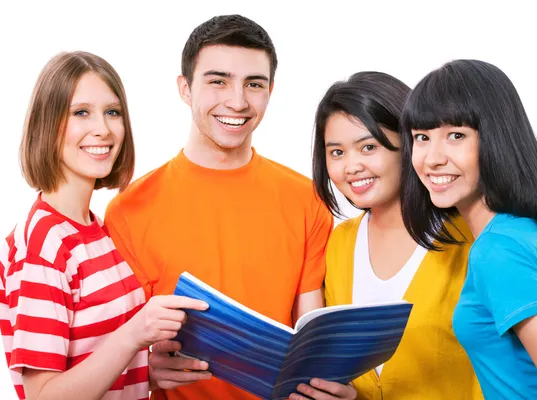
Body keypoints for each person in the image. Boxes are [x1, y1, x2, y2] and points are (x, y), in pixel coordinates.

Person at [103, 14, 350, 400]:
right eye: (218, 81)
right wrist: (147, 372)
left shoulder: (307, 199)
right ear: (185, 88)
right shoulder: (127, 210)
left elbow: (309, 337)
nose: (237, 102)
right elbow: (115, 351)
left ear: (271, 90)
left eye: (253, 84)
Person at [0, 51, 208, 400]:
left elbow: (95, 359)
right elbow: (45, 396)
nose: (103, 128)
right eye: (81, 112)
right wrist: (134, 334)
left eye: (112, 112)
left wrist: (149, 371)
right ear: (46, 124)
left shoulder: (100, 230)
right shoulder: (42, 246)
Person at [400, 59, 537, 399]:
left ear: (497, 138)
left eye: (456, 135)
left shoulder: (497, 252)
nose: (432, 158)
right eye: (422, 137)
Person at [299, 71, 483, 400]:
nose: (351, 166)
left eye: (368, 147)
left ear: (409, 144)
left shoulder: (473, 236)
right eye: (336, 152)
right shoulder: (339, 243)